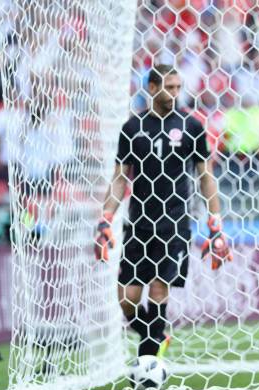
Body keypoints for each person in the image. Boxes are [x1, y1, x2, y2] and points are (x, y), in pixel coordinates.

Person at [95, 64, 231, 357]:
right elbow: (120, 177)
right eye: (169, 88)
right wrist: (106, 218)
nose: (175, 94)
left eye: (178, 87)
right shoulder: (132, 127)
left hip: (175, 223)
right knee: (127, 299)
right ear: (152, 88)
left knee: (159, 289)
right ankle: (154, 337)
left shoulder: (191, 126)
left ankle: (148, 363)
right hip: (139, 223)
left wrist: (215, 222)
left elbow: (205, 175)